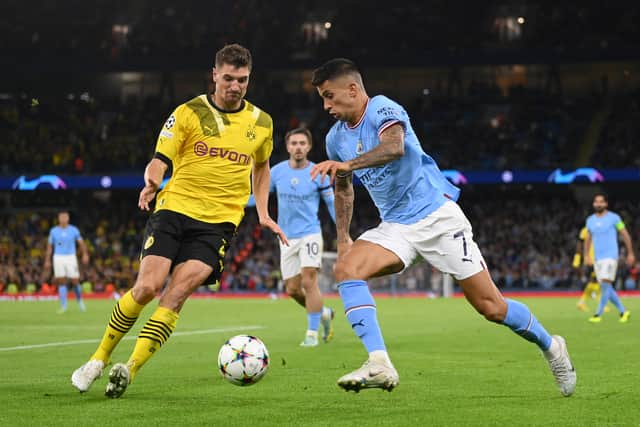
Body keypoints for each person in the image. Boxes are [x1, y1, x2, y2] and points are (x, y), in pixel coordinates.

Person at [309, 58, 576, 396]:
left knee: (491, 307)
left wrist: (348, 164)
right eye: (322, 98)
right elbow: (342, 186)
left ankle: (552, 346)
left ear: (352, 89)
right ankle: (379, 362)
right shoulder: (335, 139)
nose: (325, 106)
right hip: (396, 227)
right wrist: (344, 237)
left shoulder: (381, 108)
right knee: (347, 268)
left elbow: (394, 147)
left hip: (437, 218)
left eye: (329, 96)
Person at [71, 44, 287, 398]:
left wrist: (262, 212)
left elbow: (261, 167)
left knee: (177, 293)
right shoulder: (188, 112)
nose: (235, 86)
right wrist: (152, 182)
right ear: (215, 74)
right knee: (147, 287)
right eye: (229, 78)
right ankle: (97, 359)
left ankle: (130, 369)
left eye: (243, 80)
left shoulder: (262, 123)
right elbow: (160, 158)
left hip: (219, 224)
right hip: (175, 210)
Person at [271, 127, 336, 347]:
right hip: (286, 237)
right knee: (292, 289)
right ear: (287, 147)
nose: (298, 147)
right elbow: (258, 196)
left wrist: (343, 233)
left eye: (302, 143)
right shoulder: (277, 172)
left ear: (308, 147)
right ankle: (324, 312)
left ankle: (311, 333)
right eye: (294, 143)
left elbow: (331, 203)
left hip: (310, 233)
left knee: (309, 279)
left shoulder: (318, 172)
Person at [583, 193, 635, 323]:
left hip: (610, 256)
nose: (598, 204)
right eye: (596, 201)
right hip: (597, 258)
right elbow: (588, 239)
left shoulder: (614, 218)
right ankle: (624, 311)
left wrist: (630, 253)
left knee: (605, 285)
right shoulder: (590, 220)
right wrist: (586, 255)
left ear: (606, 203)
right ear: (593, 204)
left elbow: (625, 234)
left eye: (601, 202)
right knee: (606, 287)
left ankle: (597, 314)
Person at [44, 210, 89, 313]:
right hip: (58, 257)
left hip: (70, 257)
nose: (64, 219)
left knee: (75, 280)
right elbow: (50, 247)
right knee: (61, 281)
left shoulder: (74, 230)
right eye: (62, 217)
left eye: (65, 217)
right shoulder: (53, 231)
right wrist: (47, 260)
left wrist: (85, 254)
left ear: (68, 218)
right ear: (59, 218)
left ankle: (80, 302)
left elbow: (81, 243)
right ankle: (63, 306)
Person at [573, 226, 605, 312]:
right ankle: (586, 302)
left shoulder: (601, 229)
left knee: (596, 281)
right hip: (590, 259)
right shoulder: (585, 230)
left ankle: (583, 302)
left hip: (598, 258)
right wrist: (577, 258)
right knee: (595, 281)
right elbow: (579, 244)